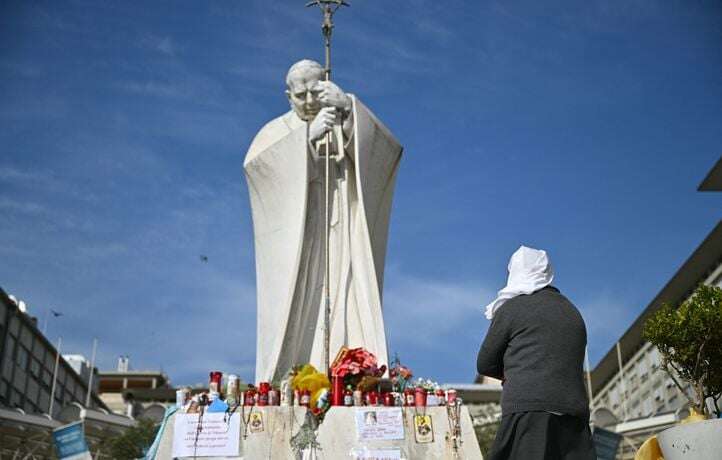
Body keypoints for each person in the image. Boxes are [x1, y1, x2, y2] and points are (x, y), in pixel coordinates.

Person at [244, 59, 403, 383]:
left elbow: (388, 152)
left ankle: (350, 371)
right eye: (299, 95)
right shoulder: (275, 132)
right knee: (304, 302)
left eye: (314, 92)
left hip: (341, 232)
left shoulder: (341, 119)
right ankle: (296, 372)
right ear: (288, 95)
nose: (307, 101)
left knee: (345, 294)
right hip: (299, 240)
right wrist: (305, 139)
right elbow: (258, 170)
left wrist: (348, 113)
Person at [477, 246, 596, 460]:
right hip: (574, 415)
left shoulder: (513, 308)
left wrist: (508, 371)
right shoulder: (572, 311)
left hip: (529, 412)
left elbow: (485, 363)